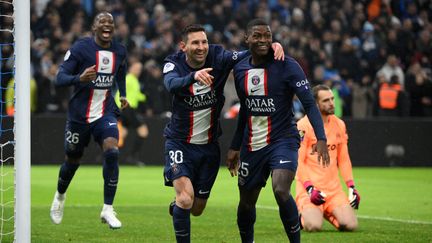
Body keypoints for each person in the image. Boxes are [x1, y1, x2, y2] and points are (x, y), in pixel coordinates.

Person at [162, 24, 285, 242]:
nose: (201, 47)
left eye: (204, 42)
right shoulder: (173, 64)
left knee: (197, 208)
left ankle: (179, 207)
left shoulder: (219, 56)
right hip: (179, 143)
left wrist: (269, 45)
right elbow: (171, 85)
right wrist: (193, 76)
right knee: (185, 198)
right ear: (183, 46)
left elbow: (247, 53)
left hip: (209, 147)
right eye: (195, 43)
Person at [226, 19, 330, 243]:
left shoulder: (287, 64)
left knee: (281, 189)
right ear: (247, 39)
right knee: (246, 202)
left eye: (267, 36)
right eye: (257, 36)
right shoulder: (240, 68)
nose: (263, 40)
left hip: (283, 139)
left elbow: (310, 104)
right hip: (252, 144)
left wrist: (321, 137)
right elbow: (246, 109)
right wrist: (235, 146)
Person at [49, 12, 128, 229]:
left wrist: (122, 93)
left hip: (105, 112)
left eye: (110, 23)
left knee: (112, 150)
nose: (106, 26)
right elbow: (60, 77)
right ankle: (60, 196)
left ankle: (107, 208)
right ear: (94, 27)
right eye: (102, 22)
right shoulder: (80, 48)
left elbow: (120, 71)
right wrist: (79, 78)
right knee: (72, 160)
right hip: (79, 116)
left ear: (113, 28)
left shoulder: (120, 50)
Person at [295, 84, 360, 232]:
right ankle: (300, 215)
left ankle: (324, 211)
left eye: (332, 99)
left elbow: (343, 159)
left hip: (333, 190)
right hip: (309, 189)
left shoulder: (339, 124)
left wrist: (351, 187)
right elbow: (298, 161)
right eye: (326, 100)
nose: (331, 103)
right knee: (313, 226)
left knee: (350, 225)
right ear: (316, 104)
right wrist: (309, 188)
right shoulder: (303, 125)